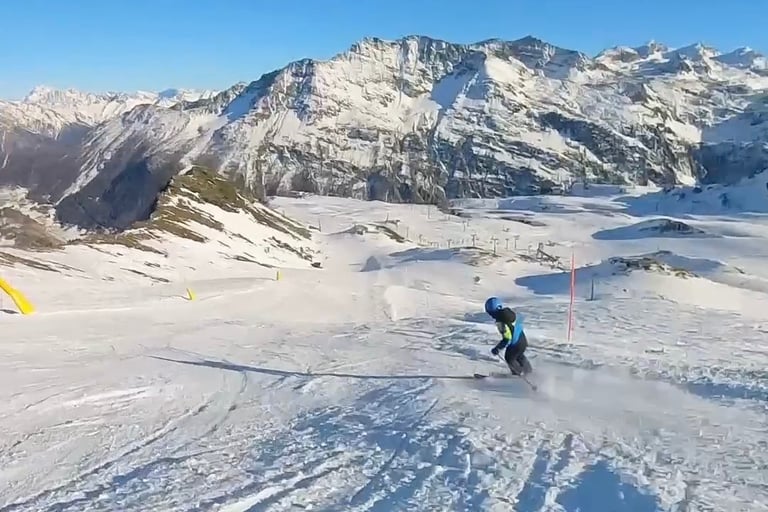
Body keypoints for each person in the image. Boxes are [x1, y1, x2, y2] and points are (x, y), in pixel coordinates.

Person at [484, 296, 532, 376]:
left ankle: (518, 375)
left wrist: (497, 348)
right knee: (519, 355)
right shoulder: (510, 314)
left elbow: (507, 338)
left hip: (515, 343)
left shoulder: (501, 322)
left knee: (509, 358)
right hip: (522, 340)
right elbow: (519, 322)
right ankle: (529, 371)